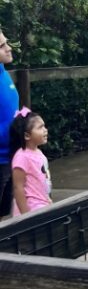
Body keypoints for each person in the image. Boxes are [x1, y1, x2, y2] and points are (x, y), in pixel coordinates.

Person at [10, 107, 52, 216]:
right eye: (40, 127)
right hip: (31, 208)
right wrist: (25, 216)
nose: (45, 130)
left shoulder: (38, 153)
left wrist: (47, 199)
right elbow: (18, 187)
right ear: (27, 136)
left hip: (42, 204)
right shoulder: (21, 157)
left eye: (44, 126)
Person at [0, 30, 19, 218]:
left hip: (10, 157)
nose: (8, 48)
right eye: (2, 46)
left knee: (6, 213)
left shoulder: (3, 73)